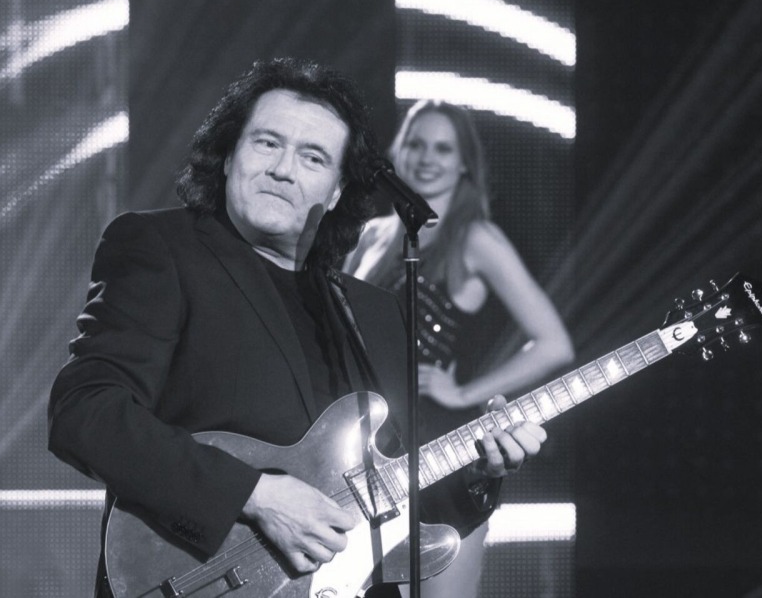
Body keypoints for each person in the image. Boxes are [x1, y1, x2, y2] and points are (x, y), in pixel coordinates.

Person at [47, 59, 548, 598]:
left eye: (313, 157)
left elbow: (400, 506)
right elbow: (85, 412)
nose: (283, 169)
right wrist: (255, 496)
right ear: (228, 156)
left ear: (336, 191)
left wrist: (480, 470)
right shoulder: (162, 247)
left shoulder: (374, 312)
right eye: (267, 143)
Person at [345, 99, 574, 597]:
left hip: (444, 460)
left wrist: (465, 391)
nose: (427, 157)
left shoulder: (476, 238)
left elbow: (554, 342)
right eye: (417, 144)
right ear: (398, 151)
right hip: (363, 454)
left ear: (465, 162)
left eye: (443, 148)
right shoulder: (369, 237)